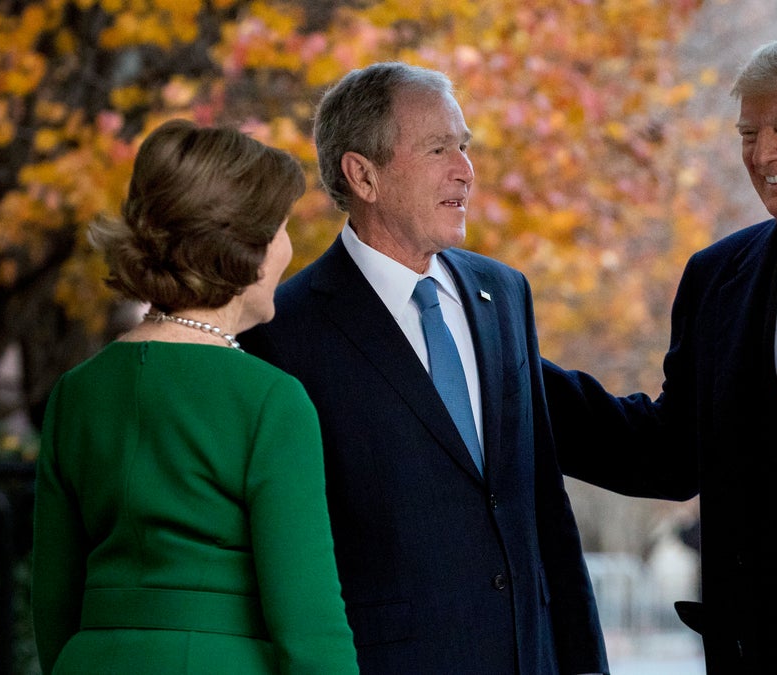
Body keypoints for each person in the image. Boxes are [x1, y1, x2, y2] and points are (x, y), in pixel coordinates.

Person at [237, 62, 608, 674]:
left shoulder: (504, 293)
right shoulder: (282, 333)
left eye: (463, 147)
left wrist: (585, 662)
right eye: (439, 148)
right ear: (364, 174)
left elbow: (543, 502)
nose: (465, 170)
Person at [541, 33, 777, 673]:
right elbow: (672, 455)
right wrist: (506, 373)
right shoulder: (718, 275)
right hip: (757, 646)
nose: (761, 154)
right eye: (747, 134)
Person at [31, 119, 357, 674]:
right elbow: (310, 627)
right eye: (279, 230)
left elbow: (53, 605)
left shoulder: (76, 391)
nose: (288, 249)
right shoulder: (270, 400)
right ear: (242, 246)